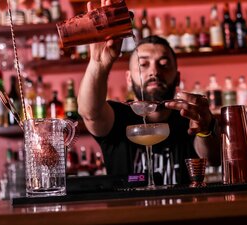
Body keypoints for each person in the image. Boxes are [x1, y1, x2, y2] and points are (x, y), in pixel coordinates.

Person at [78, 0, 220, 185]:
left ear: (177, 78)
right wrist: (99, 63)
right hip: (128, 214)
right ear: (129, 79)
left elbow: (213, 159)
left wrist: (204, 129)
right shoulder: (118, 117)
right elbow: (90, 112)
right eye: (143, 64)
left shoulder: (190, 117)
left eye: (163, 64)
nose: (154, 71)